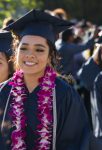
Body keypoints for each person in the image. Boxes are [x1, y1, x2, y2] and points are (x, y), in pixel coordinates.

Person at [0, 9, 91, 150]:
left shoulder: (65, 95)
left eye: (39, 49)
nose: (30, 55)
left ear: (50, 55)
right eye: (24, 48)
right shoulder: (3, 93)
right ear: (16, 52)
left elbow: (76, 142)